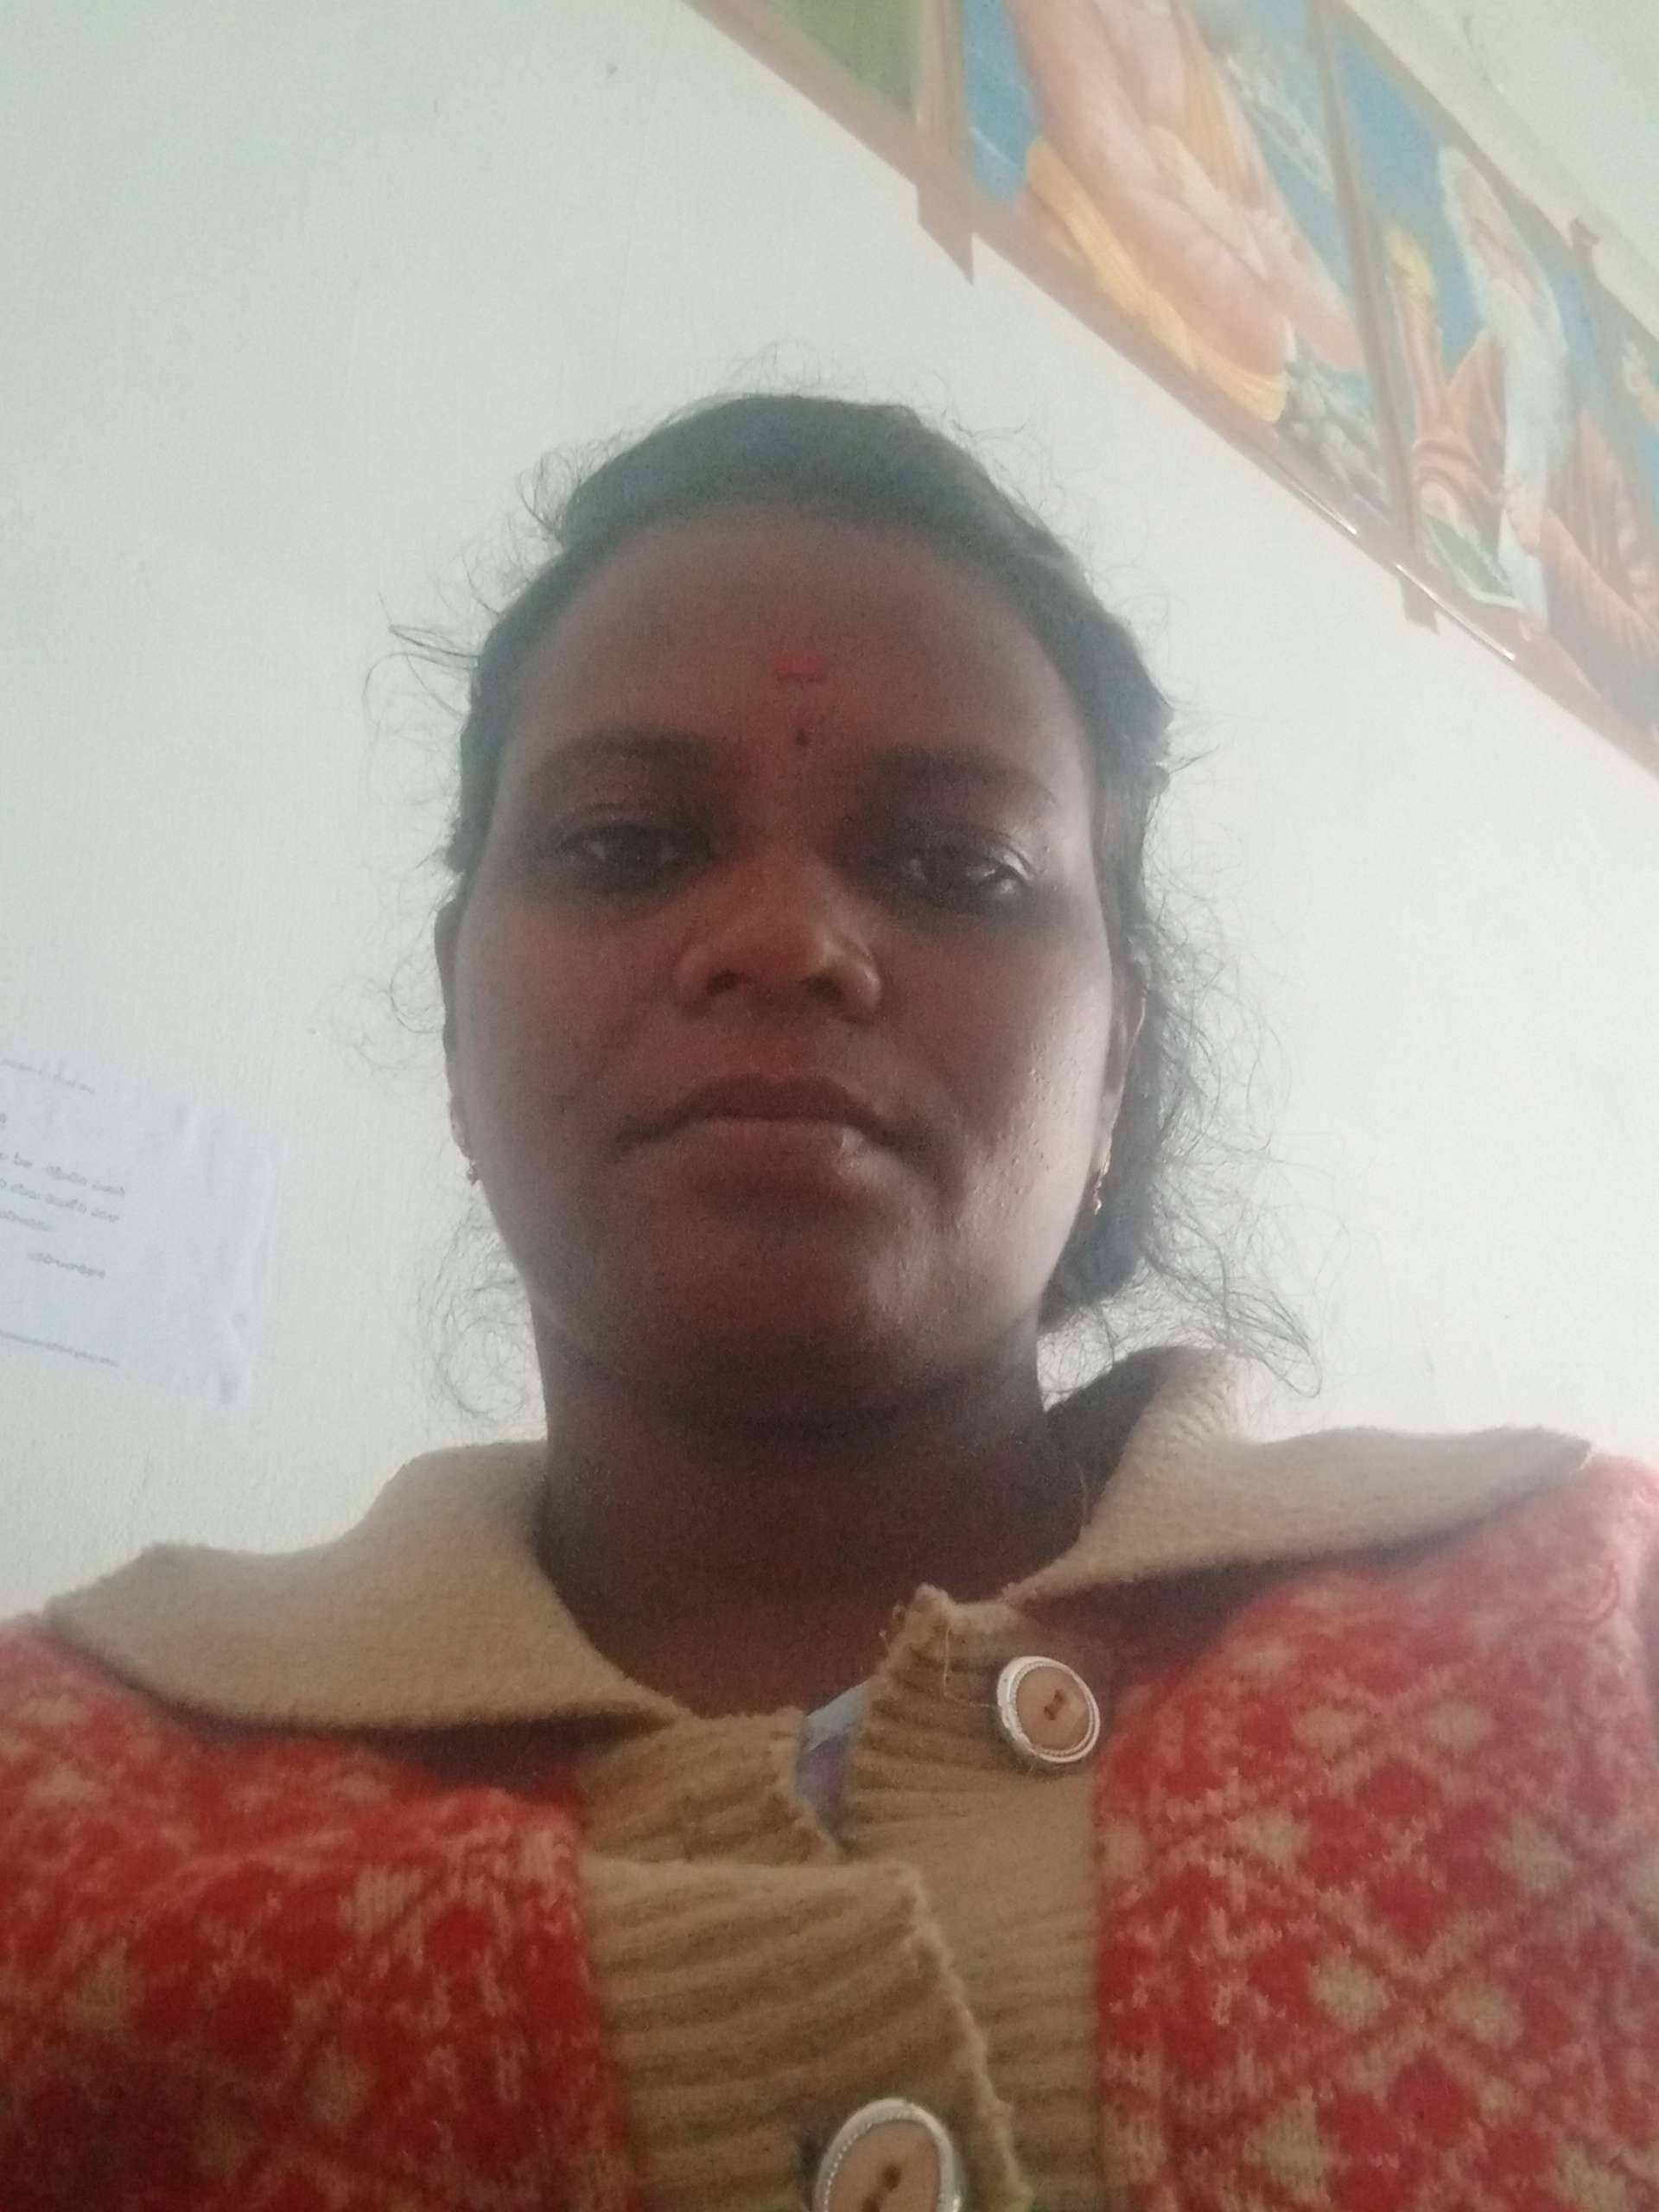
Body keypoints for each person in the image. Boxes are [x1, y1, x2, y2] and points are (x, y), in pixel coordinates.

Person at [1, 395, 1656, 2212]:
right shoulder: (59, 1791)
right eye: (626, 846)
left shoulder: (1591, 1630)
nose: (786, 938)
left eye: (955, 867)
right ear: (457, 1022)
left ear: (1119, 1062)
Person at [1004, 0, 1364, 424]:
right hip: (1073, 314)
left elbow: (1343, 338)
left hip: (1213, 390)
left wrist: (1234, 227)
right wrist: (1259, 270)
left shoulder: (1194, 54)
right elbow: (1117, 178)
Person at [1402, 149, 1659, 729]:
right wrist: (1440, 499)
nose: (1493, 268)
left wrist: (1549, 539)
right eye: (1477, 244)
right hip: (1473, 662)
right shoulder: (1495, 362)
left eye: (1502, 246)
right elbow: (1448, 459)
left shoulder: (1604, 454)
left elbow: (1649, 657)